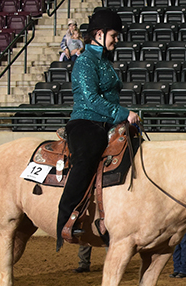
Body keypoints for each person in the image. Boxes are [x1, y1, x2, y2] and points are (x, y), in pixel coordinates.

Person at [56, 9, 140, 251]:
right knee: (87, 157)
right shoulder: (84, 62)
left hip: (107, 122)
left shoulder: (103, 61)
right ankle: (66, 218)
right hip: (86, 122)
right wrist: (124, 113)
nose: (116, 40)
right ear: (100, 34)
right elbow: (91, 99)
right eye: (114, 35)